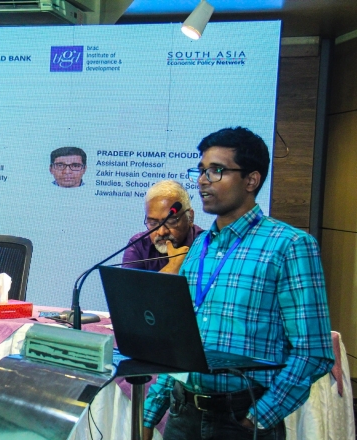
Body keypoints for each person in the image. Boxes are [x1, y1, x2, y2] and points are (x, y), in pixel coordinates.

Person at [142, 127, 334, 440]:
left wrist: (258, 418)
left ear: (251, 180)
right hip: (183, 413)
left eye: (217, 171)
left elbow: (314, 352)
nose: (203, 180)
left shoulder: (290, 245)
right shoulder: (200, 245)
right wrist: (153, 410)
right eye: (201, 170)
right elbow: (181, 342)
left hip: (241, 417)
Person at [122, 180, 204, 274]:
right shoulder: (139, 245)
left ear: (190, 217)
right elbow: (127, 288)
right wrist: (172, 268)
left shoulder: (206, 244)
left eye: (171, 222)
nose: (161, 232)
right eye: (153, 223)